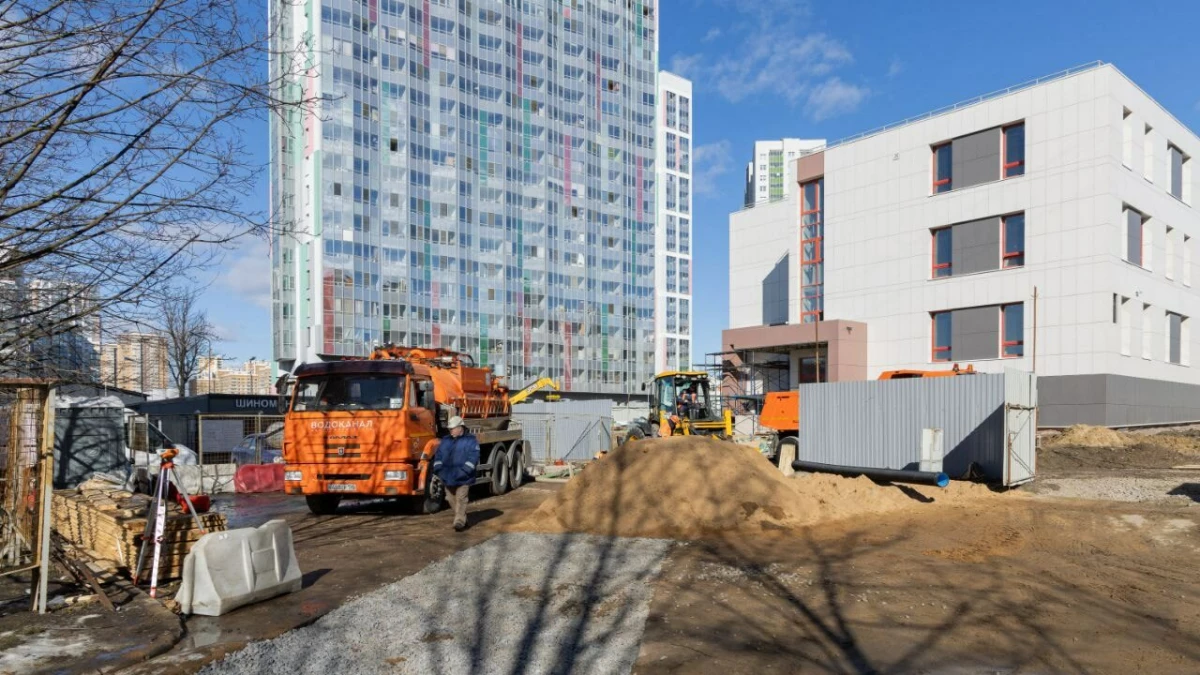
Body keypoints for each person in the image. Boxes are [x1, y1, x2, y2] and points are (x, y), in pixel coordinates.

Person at [432, 415, 479, 532]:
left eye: (452, 428)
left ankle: (459, 522)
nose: (450, 431)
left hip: (464, 478)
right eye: (450, 429)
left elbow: (474, 457)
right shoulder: (445, 440)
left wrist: (464, 471)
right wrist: (439, 470)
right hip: (447, 477)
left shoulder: (470, 440)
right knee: (450, 499)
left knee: (461, 499)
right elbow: (438, 456)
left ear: (460, 428)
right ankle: (463, 518)